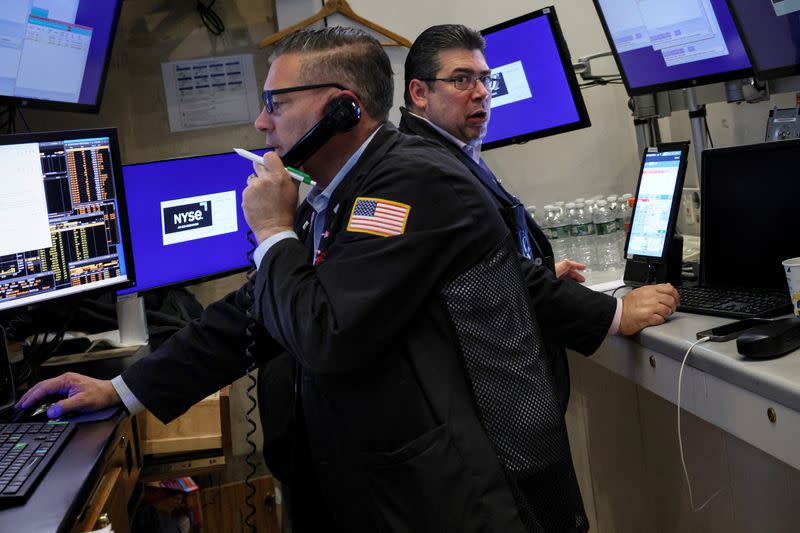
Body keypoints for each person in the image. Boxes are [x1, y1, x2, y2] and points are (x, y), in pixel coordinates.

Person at [19, 27, 678, 532]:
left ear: (339, 108)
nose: (261, 121)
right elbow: (256, 311)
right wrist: (123, 387)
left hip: (462, 497)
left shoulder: (412, 182)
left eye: (275, 102)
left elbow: (327, 331)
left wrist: (274, 231)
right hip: (394, 484)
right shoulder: (349, 188)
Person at [400, 23, 586, 283]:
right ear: (420, 93)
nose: (483, 92)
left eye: (485, 78)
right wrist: (618, 311)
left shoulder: (452, 149)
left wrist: (543, 279)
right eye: (461, 79)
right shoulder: (424, 169)